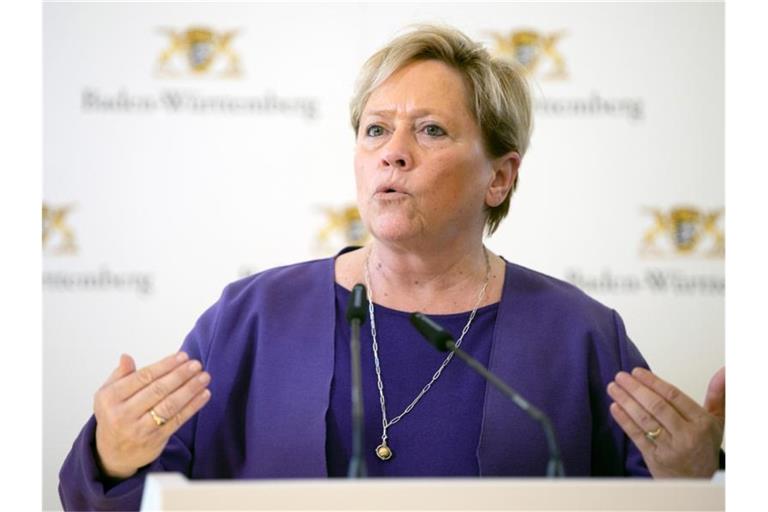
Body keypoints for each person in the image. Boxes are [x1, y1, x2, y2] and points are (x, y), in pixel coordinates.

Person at [58, 25, 725, 510]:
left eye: (430, 130)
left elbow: (660, 496)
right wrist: (113, 458)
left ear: (500, 175)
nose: (393, 153)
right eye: (376, 129)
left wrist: (695, 480)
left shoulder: (577, 333)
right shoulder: (252, 316)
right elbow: (126, 496)